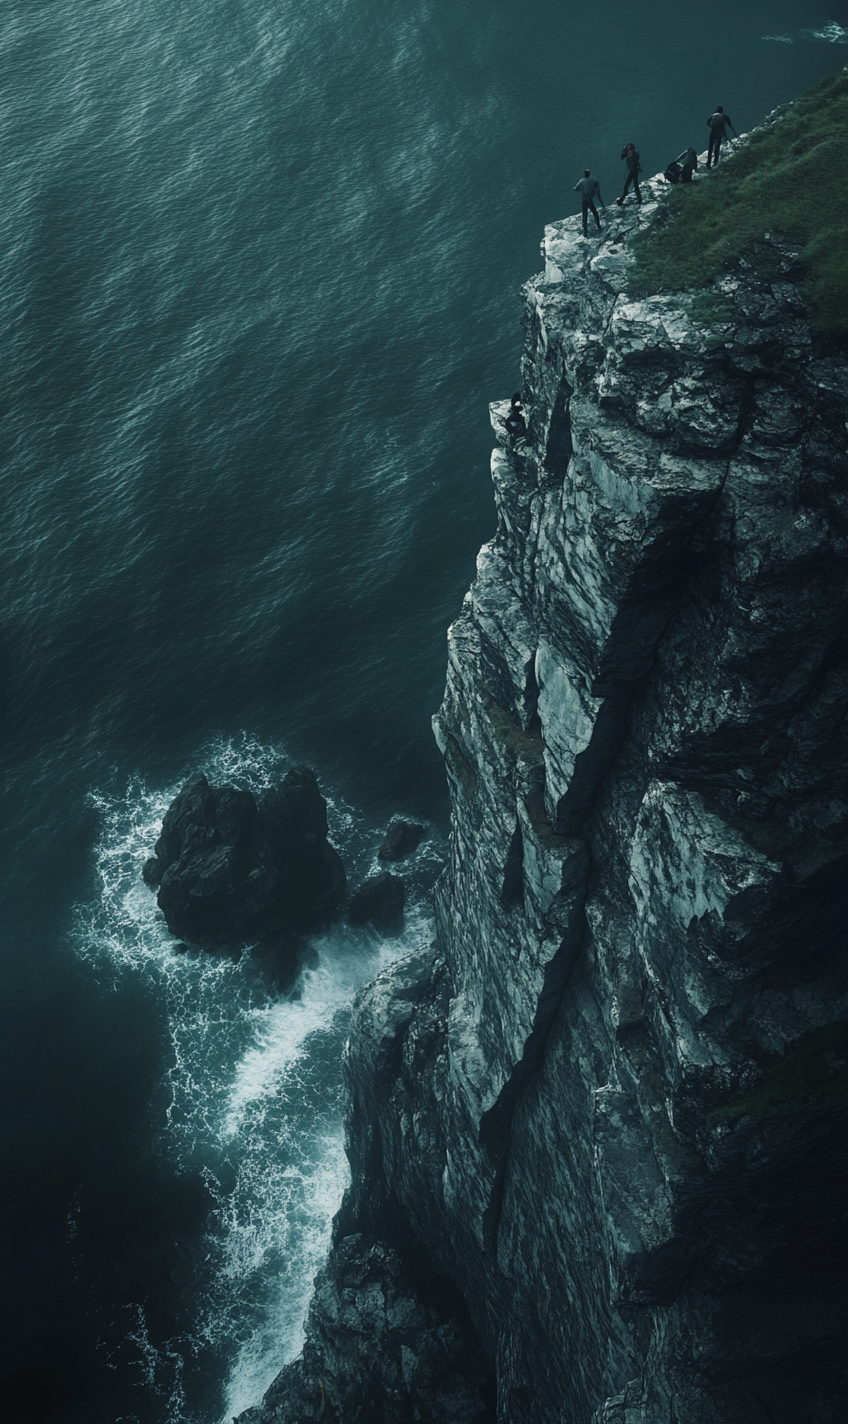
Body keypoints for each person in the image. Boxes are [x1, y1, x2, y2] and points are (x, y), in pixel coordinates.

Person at [574, 168, 604, 237]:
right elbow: (598, 187)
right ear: (589, 174)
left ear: (584, 174)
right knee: (595, 213)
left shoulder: (581, 181)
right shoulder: (593, 180)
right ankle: (599, 226)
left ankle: (585, 231)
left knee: (585, 215)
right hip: (590, 199)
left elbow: (576, 189)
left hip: (584, 199)